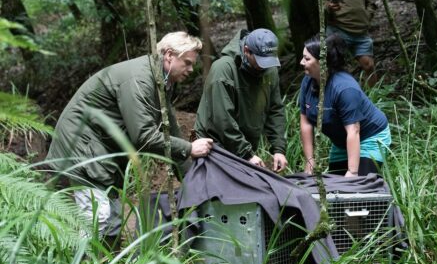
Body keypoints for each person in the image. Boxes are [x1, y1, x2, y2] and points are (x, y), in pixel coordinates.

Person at [47, 32, 214, 242]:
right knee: (96, 221)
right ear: (169, 55)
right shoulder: (140, 80)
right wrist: (189, 148)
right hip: (82, 149)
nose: (191, 69)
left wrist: (192, 178)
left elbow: (169, 126)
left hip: (104, 152)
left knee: (113, 223)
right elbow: (143, 137)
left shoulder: (162, 80)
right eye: (187, 63)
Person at [194, 28, 288, 172]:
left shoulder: (269, 70)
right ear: (246, 51)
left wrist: (279, 149)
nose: (265, 67)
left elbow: (275, 109)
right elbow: (223, 120)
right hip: (214, 148)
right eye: (261, 61)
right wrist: (246, 154)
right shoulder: (223, 69)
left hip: (244, 147)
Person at [299, 34, 391, 177]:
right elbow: (306, 123)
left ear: (323, 62)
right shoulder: (308, 81)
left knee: (360, 188)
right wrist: (310, 161)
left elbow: (353, 130)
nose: (301, 62)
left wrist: (352, 171)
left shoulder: (345, 88)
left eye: (307, 59)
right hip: (342, 142)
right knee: (334, 187)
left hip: (369, 137)